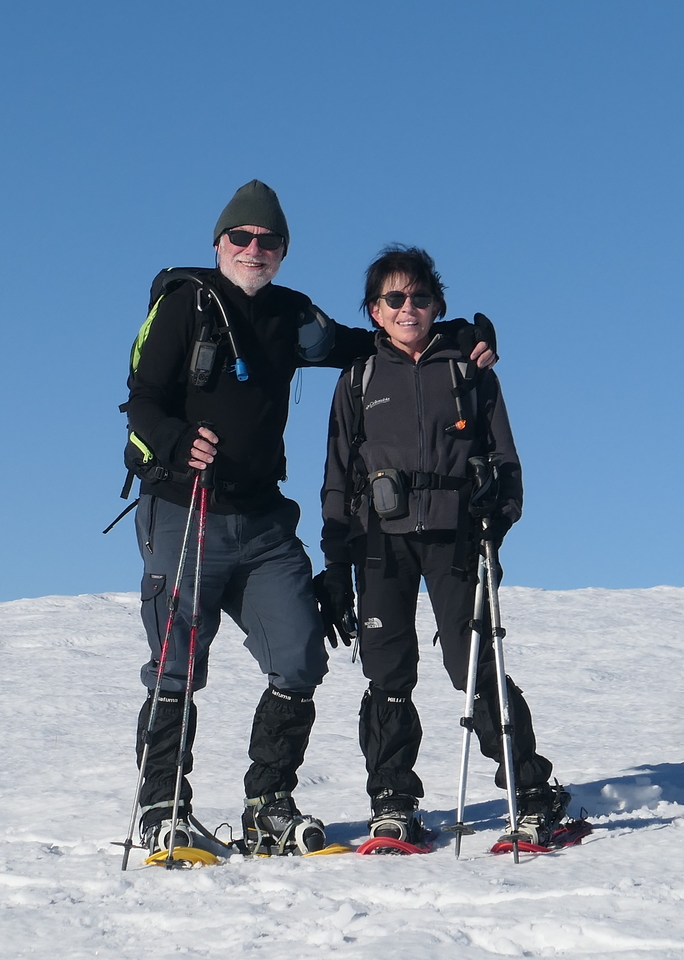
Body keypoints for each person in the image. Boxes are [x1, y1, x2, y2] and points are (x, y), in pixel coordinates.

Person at [123, 184, 494, 856]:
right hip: (186, 511)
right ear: (219, 243)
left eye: (268, 240)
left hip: (264, 522)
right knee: (177, 663)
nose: (253, 249)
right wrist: (176, 442)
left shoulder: (291, 315)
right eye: (241, 238)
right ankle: (162, 806)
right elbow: (142, 398)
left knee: (298, 655)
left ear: (284, 250)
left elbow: (369, 344)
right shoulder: (186, 304)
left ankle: (267, 803)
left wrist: (456, 336)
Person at [317, 244, 569, 848]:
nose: (408, 308)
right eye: (394, 298)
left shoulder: (470, 371)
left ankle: (530, 791)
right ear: (374, 311)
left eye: (420, 297)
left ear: (436, 305)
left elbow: (507, 462)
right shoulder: (358, 379)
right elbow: (337, 475)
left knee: (472, 664)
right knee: (387, 672)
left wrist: (498, 518)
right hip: (380, 542)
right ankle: (392, 801)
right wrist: (334, 559)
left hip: (459, 538)